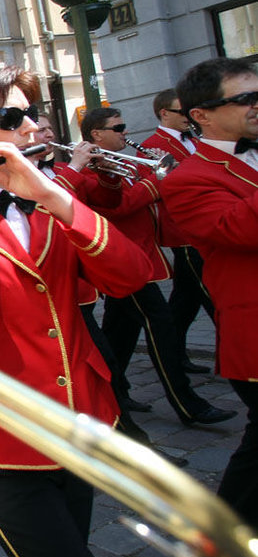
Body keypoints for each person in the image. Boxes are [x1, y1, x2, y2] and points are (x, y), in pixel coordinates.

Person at [0, 65, 153, 557]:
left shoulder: (49, 200)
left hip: (80, 423)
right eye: (11, 117)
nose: (30, 128)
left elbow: (131, 276)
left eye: (32, 114)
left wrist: (54, 196)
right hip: (7, 439)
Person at [80, 107, 234, 426]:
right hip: (120, 260)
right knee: (160, 325)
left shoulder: (123, 161)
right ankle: (186, 402)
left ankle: (116, 390)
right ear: (96, 135)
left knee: (120, 332)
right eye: (118, 127)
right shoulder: (87, 168)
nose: (125, 132)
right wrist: (156, 181)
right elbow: (119, 207)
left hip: (139, 255)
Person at [160, 57, 258, 526]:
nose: (257, 105)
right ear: (202, 114)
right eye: (245, 99)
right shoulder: (189, 177)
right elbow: (238, 229)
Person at [140, 89, 213, 375]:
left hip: (205, 226)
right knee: (213, 296)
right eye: (181, 112)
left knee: (185, 299)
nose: (188, 116)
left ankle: (175, 352)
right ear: (164, 114)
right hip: (184, 230)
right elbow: (163, 188)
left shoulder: (195, 138)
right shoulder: (152, 144)